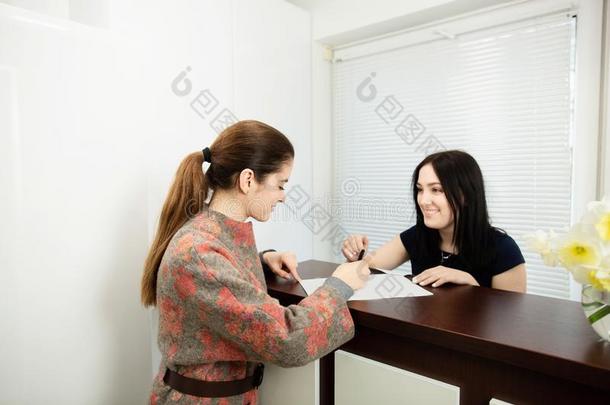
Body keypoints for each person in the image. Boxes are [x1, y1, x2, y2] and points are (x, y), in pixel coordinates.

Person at [141, 120, 371, 404]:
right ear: (248, 180)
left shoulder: (209, 235)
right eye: (280, 184)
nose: (284, 197)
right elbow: (288, 340)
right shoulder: (198, 253)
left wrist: (263, 259)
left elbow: (219, 277)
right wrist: (340, 285)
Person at [342, 150, 526, 292]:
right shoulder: (417, 236)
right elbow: (365, 269)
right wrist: (355, 257)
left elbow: (513, 320)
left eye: (436, 190)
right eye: (420, 189)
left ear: (466, 196)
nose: (423, 200)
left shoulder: (503, 249)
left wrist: (471, 284)